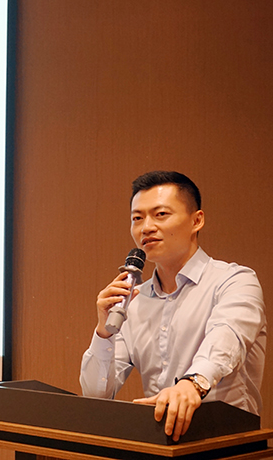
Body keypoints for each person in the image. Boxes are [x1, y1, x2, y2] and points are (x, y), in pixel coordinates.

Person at [80, 171, 266, 442]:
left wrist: (192, 385)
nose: (146, 227)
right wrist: (104, 332)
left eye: (161, 214)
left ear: (196, 221)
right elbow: (96, 395)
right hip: (159, 442)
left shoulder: (234, 281)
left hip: (225, 443)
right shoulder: (134, 300)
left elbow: (227, 338)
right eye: (137, 218)